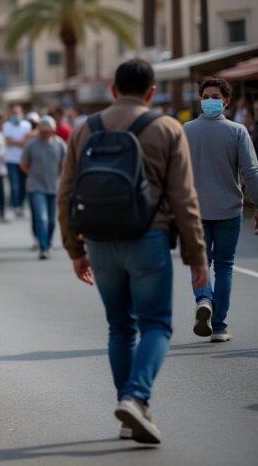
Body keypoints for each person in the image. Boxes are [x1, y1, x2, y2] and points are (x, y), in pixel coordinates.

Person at [58, 59, 207, 445]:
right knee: (156, 324)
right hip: (149, 239)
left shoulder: (83, 130)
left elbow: (66, 193)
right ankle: (136, 397)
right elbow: (184, 198)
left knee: (120, 327)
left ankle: (129, 417)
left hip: (100, 242)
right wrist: (197, 256)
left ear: (112, 89)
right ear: (152, 92)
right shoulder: (166, 128)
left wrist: (75, 249)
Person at [184, 77, 258, 343]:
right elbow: (251, 172)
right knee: (225, 267)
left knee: (200, 263)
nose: (209, 101)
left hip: (196, 212)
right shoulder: (238, 131)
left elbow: (176, 173)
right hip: (229, 211)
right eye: (205, 96)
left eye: (213, 97)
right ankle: (219, 326)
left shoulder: (187, 130)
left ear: (225, 101)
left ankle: (204, 299)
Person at [22, 116, 66, 260]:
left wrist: (60, 178)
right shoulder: (31, 145)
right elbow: (24, 164)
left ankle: (47, 240)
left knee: (52, 220)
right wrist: (33, 176)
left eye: (48, 131)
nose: (45, 134)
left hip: (53, 186)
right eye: (43, 131)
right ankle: (44, 248)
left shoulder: (59, 145)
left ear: (53, 131)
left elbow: (64, 165)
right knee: (42, 218)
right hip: (36, 186)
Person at [3, 105, 32, 217]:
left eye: (17, 113)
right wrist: (20, 142)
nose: (15, 115)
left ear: (21, 114)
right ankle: (15, 206)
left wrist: (15, 142)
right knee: (14, 185)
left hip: (24, 161)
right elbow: (8, 142)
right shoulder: (7, 126)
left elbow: (27, 142)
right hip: (11, 161)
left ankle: (20, 205)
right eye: (13, 113)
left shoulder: (26, 125)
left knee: (23, 185)